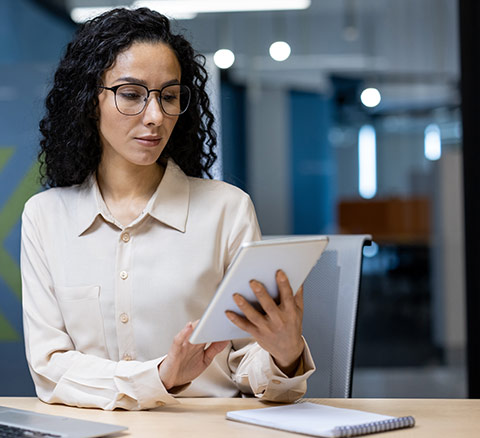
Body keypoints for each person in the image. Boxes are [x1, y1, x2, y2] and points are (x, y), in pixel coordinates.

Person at [20, 7, 315, 411]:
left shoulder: (227, 209)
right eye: (131, 94)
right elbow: (50, 368)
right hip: (94, 432)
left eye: (169, 96)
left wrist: (284, 355)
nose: (156, 116)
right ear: (90, 101)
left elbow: (249, 364)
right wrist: (160, 377)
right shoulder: (45, 216)